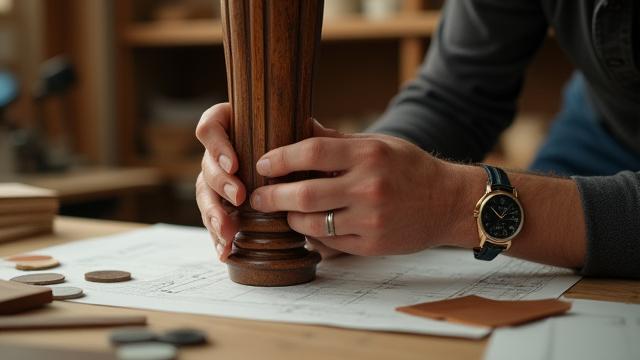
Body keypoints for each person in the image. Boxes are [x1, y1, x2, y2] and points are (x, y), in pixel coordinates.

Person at [195, 0, 640, 278]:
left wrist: (454, 204)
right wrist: (350, 178)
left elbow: (455, 201)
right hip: (600, 131)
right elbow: (456, 95)